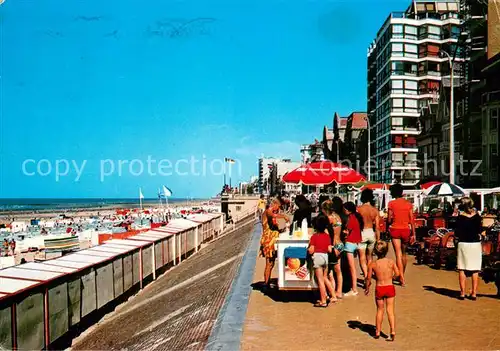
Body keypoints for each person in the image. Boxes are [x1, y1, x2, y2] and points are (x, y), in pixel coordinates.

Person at [365, 240, 400, 341]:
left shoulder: (373, 264)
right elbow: (397, 274)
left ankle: (377, 331)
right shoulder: (391, 262)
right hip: (389, 286)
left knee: (380, 310)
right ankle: (392, 330)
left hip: (379, 287)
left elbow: (368, 278)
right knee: (390, 310)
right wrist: (392, 278)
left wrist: (367, 287)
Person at [387, 184, 415, 287]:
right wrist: (414, 234)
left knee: (398, 254)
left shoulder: (391, 204)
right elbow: (412, 220)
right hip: (406, 230)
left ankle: (401, 278)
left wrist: (389, 223)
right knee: (404, 254)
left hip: (395, 229)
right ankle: (401, 275)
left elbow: (389, 219)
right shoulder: (408, 204)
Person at [455, 197, 482, 300]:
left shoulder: (460, 218)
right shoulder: (477, 217)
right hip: (475, 243)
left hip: (463, 243)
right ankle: (474, 293)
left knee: (462, 268)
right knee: (475, 269)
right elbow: (480, 230)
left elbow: (457, 232)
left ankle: (462, 293)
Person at [260, 198, 290, 288]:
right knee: (269, 263)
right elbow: (272, 215)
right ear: (275, 204)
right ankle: (266, 283)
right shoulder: (268, 211)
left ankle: (268, 282)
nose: (278, 209)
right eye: (278, 207)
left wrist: (282, 230)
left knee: (272, 263)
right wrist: (283, 216)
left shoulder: (272, 212)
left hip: (273, 239)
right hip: (268, 240)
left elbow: (274, 228)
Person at [308, 215, 336, 307]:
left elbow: (311, 250)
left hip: (318, 257)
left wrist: (309, 250)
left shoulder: (314, 237)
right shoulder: (327, 236)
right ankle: (332, 295)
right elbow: (329, 250)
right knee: (325, 277)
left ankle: (323, 301)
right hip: (325, 258)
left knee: (320, 280)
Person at [321, 199, 344, 299]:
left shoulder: (329, 218)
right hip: (340, 244)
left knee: (329, 271)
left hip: (334, 245)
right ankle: (339, 291)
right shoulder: (337, 216)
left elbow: (327, 233)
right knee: (338, 270)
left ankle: (331, 292)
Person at [358, 189, 380, 279]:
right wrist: (378, 239)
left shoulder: (359, 209)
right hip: (371, 233)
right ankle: (370, 273)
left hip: (362, 233)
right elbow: (377, 227)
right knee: (369, 256)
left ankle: (366, 275)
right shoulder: (374, 210)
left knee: (362, 257)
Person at [343, 201, 363, 296]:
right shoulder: (357, 217)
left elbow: (348, 231)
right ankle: (364, 283)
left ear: (348, 210)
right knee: (362, 263)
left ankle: (354, 289)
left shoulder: (351, 218)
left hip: (350, 242)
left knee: (352, 267)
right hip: (358, 241)